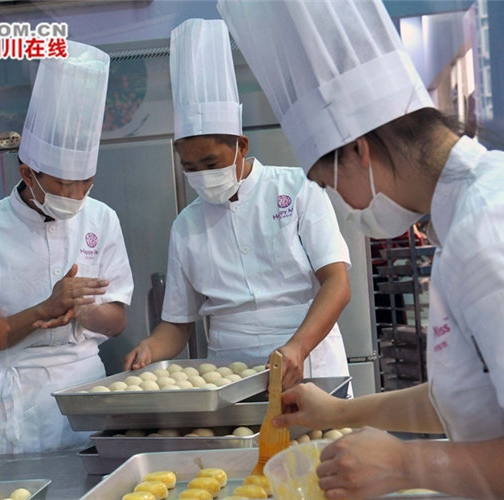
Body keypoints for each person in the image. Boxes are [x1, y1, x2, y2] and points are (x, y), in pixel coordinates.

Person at [219, 0, 504, 498]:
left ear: (360, 151)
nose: (339, 205)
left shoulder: (492, 234)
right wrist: (342, 413)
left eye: (327, 182)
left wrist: (407, 464)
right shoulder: (481, 206)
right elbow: (478, 396)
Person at [123, 18, 352, 389]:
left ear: (241, 146)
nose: (201, 174)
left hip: (310, 356)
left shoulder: (297, 187)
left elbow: (337, 284)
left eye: (210, 163)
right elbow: (178, 325)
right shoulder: (186, 224)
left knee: (318, 446)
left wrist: (298, 347)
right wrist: (150, 347)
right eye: (190, 168)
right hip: (230, 375)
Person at [0, 41, 134, 456]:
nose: (76, 196)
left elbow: (117, 320)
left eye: (85, 183)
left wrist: (81, 309)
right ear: (27, 173)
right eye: (63, 185)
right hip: (17, 405)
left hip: (86, 395)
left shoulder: (101, 218)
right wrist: (44, 311)